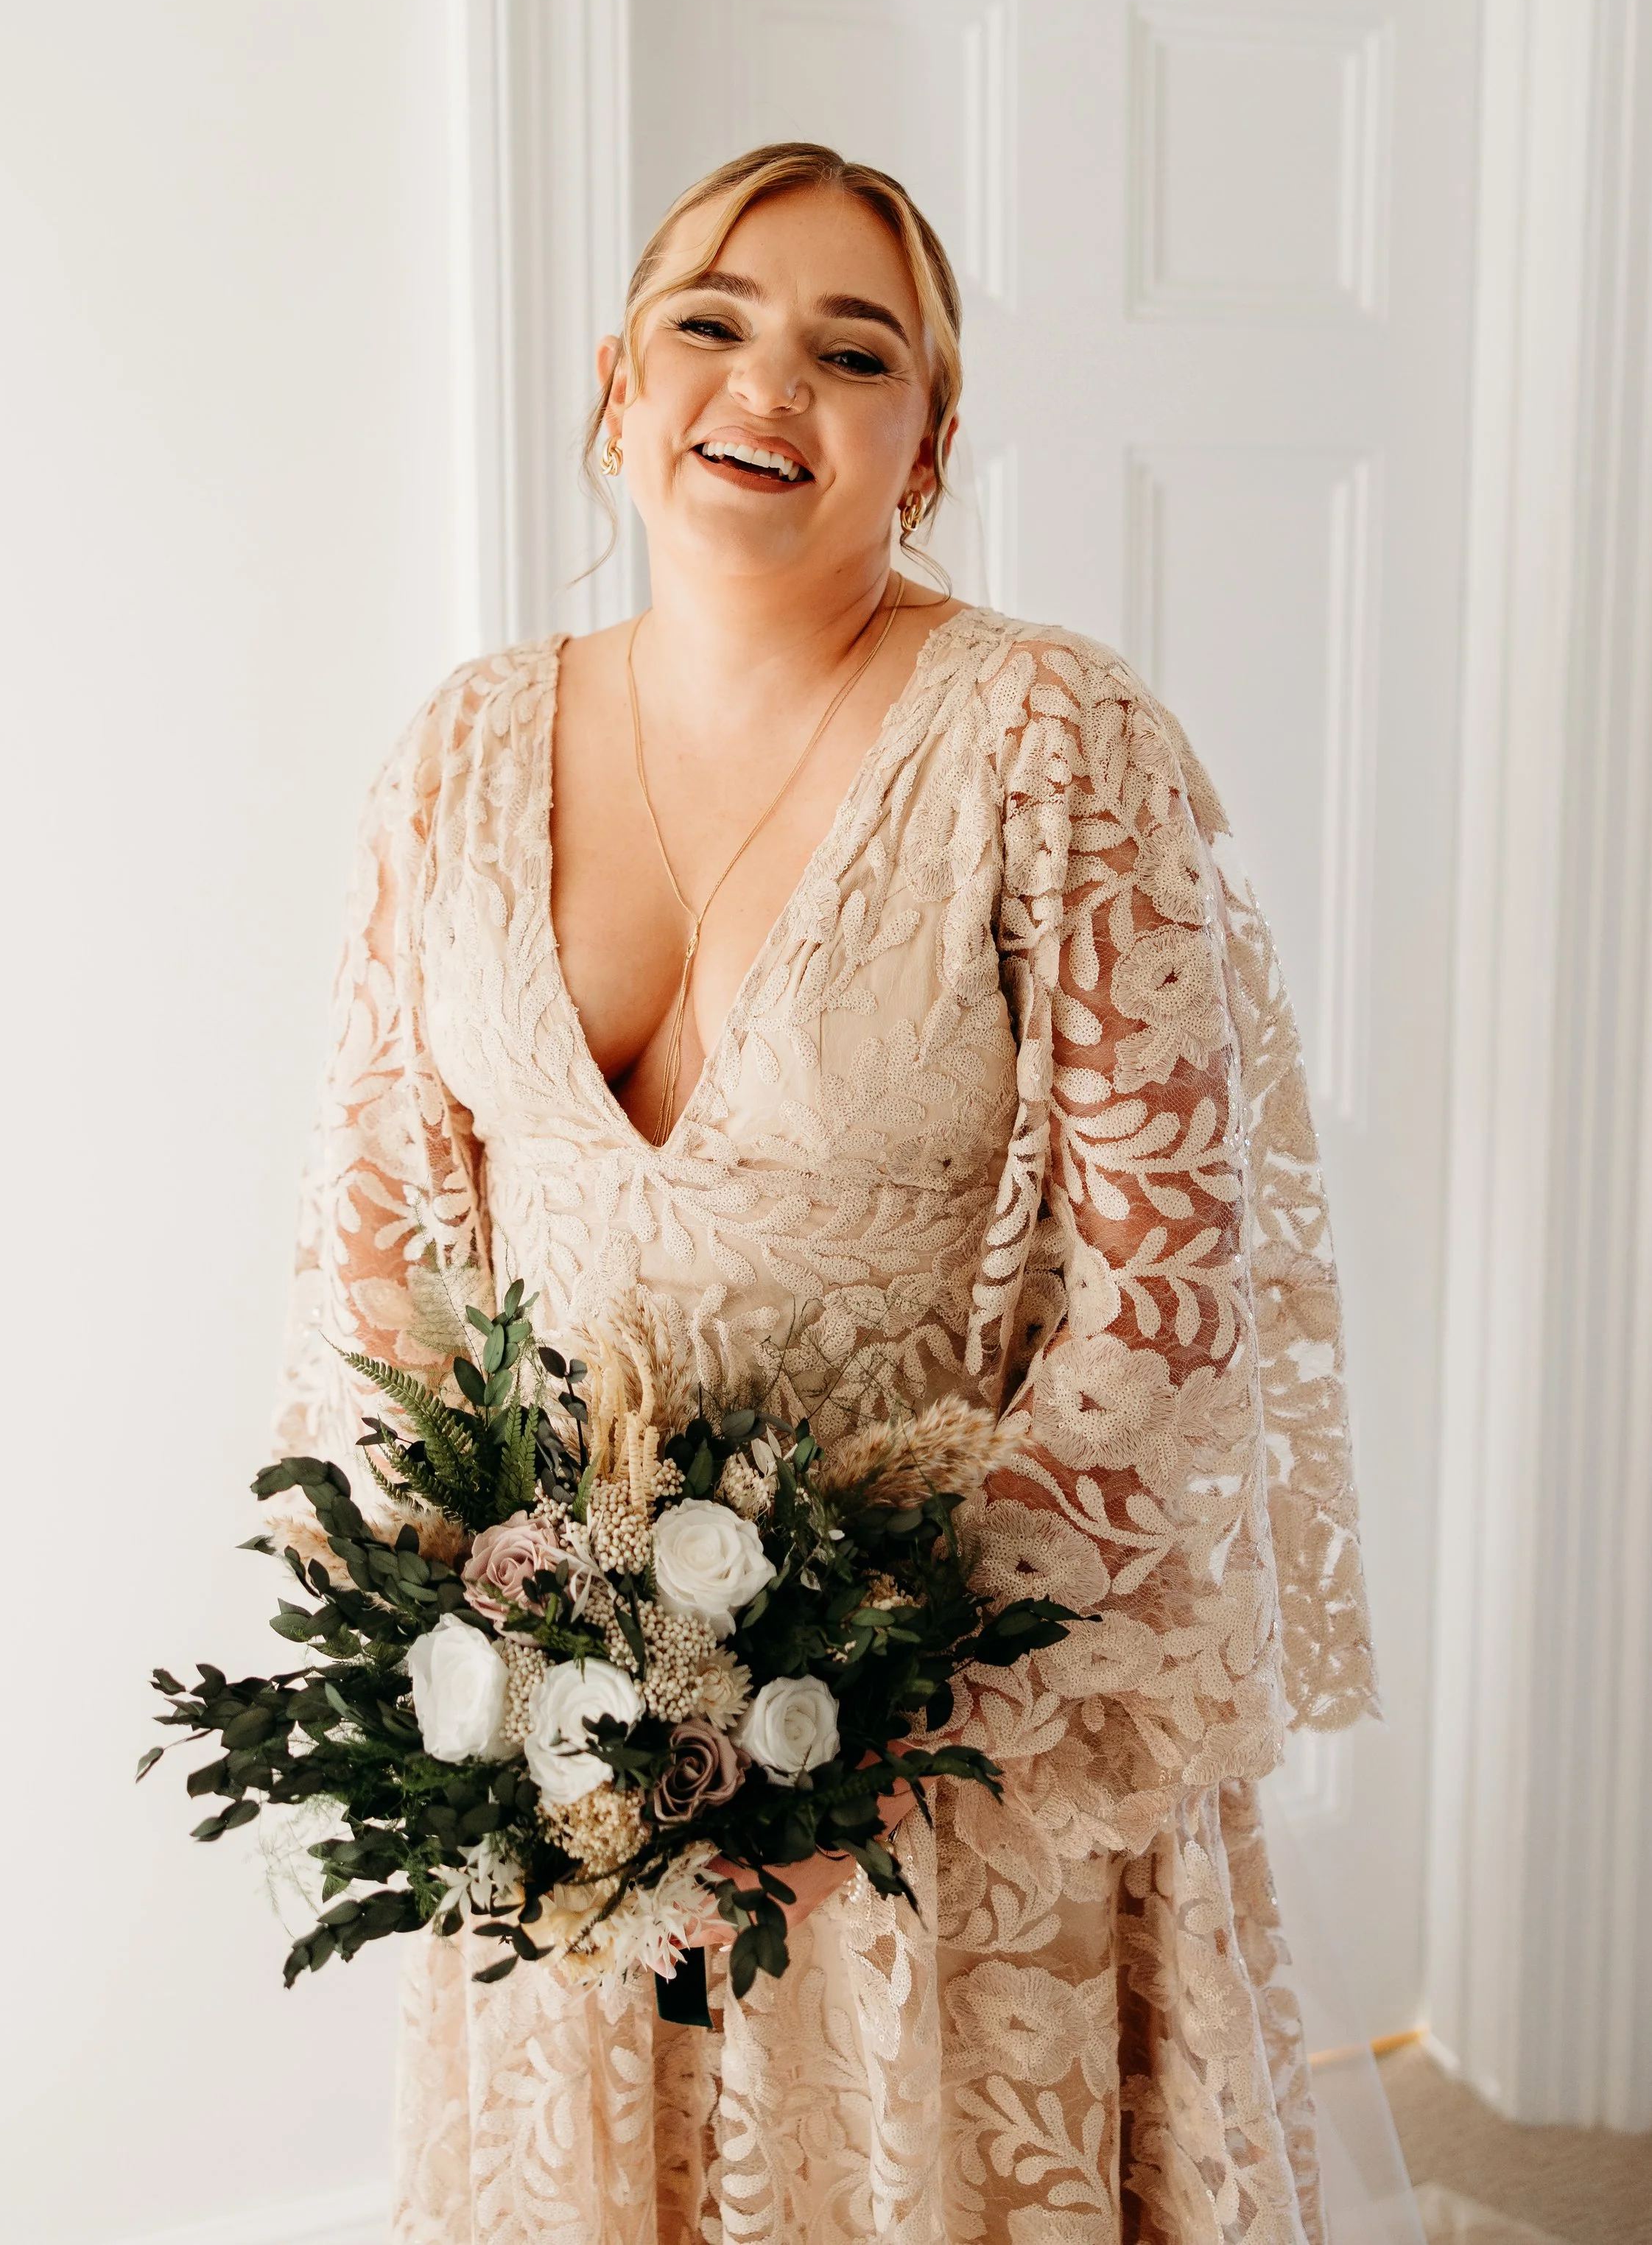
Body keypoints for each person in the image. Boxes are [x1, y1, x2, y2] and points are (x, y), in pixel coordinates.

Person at [275, 141, 1378, 2243]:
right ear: (617, 386)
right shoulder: (456, 750)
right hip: (561, 1735)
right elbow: (385, 1247)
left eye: (849, 350)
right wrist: (494, 1679)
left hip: (941, 1729)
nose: (764, 383)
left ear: (926, 445)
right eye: (711, 321)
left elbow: (1160, 1300)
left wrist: (845, 1706)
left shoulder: (1048, 731)